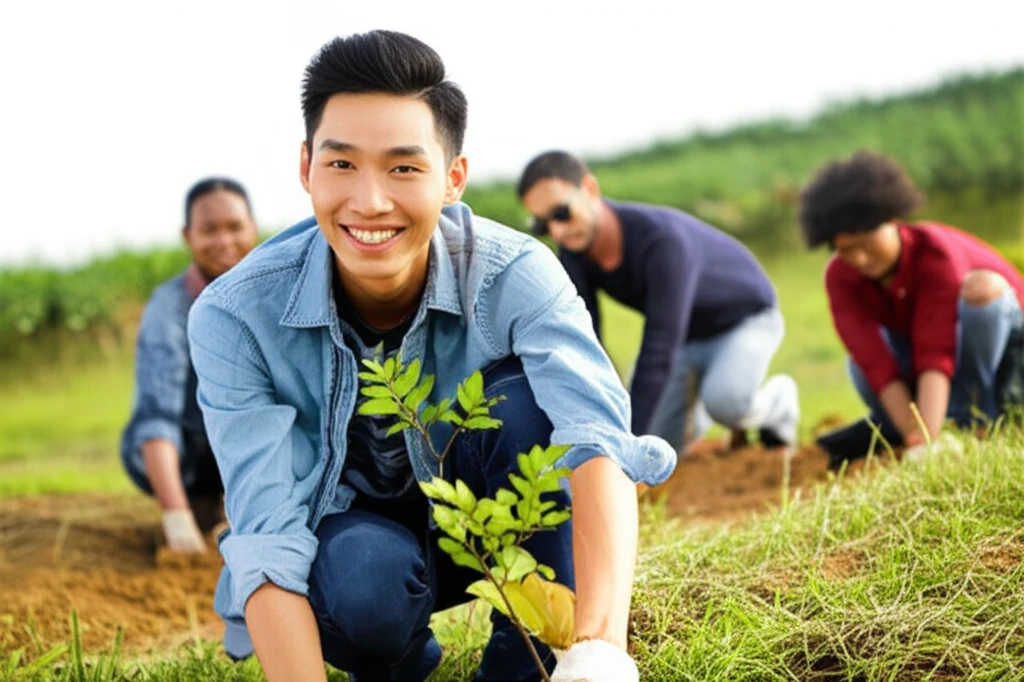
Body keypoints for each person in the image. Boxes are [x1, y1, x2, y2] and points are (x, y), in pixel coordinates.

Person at [186, 31, 676, 682]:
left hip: (490, 517)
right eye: (341, 165)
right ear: (305, 167)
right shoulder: (235, 316)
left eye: (403, 167)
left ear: (452, 179)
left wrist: (600, 649)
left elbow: (597, 441)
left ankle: (525, 658)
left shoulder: (516, 273)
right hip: (355, 545)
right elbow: (267, 536)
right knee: (366, 593)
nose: (369, 202)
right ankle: (400, 658)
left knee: (526, 403)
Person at [517, 151, 800, 454]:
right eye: (543, 225)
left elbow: (659, 346)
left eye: (561, 213)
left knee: (725, 402)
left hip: (745, 320)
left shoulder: (661, 241)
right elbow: (587, 342)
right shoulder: (574, 255)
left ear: (590, 189)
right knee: (661, 445)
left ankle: (778, 401)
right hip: (686, 340)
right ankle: (696, 410)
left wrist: (628, 447)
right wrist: (609, 427)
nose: (558, 231)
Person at [799, 149, 1024, 463]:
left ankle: (981, 417)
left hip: (1004, 352)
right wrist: (918, 439)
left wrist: (928, 437)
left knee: (982, 291)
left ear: (892, 221)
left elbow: (936, 351)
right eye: (846, 250)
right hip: (929, 365)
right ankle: (925, 422)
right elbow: (875, 361)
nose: (859, 259)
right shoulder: (841, 277)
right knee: (859, 366)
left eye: (866, 243)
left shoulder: (935, 254)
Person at [120, 177, 259, 553]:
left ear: (253, 227)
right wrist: (175, 516)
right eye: (209, 230)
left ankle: (247, 508)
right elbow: (156, 416)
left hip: (264, 448)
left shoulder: (277, 294)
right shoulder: (168, 309)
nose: (224, 241)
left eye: (234, 227)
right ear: (188, 236)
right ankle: (194, 506)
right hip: (198, 450)